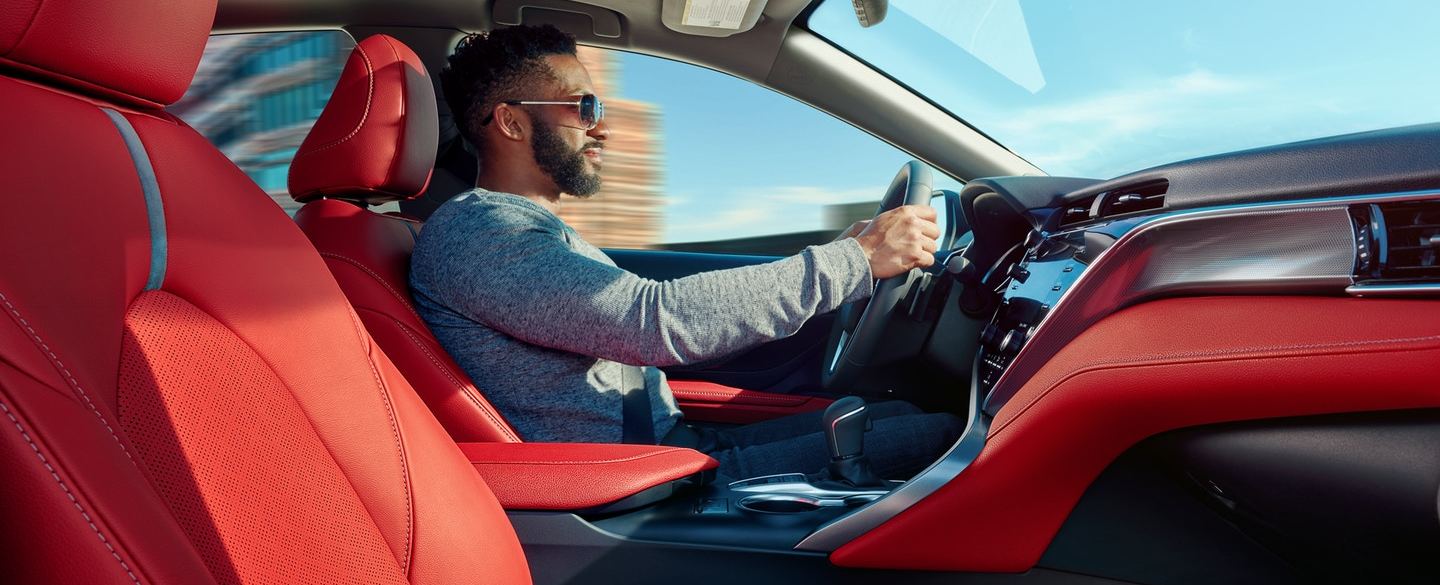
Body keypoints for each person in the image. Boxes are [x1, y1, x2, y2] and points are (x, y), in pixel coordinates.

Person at [410, 24, 962, 480]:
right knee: (943, 440)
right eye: (584, 106)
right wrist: (856, 260)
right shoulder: (480, 231)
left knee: (901, 416)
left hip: (664, 447)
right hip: (633, 479)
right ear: (511, 121)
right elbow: (650, 322)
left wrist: (844, 255)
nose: (602, 127)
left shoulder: (523, 229)